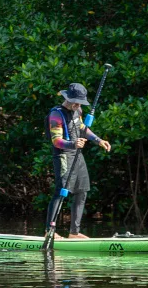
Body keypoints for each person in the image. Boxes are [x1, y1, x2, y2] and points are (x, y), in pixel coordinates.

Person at [45, 82, 111, 239]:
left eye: (80, 102)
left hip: (77, 155)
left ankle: (73, 233)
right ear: (68, 98)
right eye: (76, 101)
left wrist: (98, 140)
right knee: (61, 192)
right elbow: (56, 140)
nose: (78, 105)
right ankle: (49, 231)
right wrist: (73, 143)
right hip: (63, 156)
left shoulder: (78, 110)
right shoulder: (56, 114)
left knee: (82, 192)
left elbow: (82, 128)